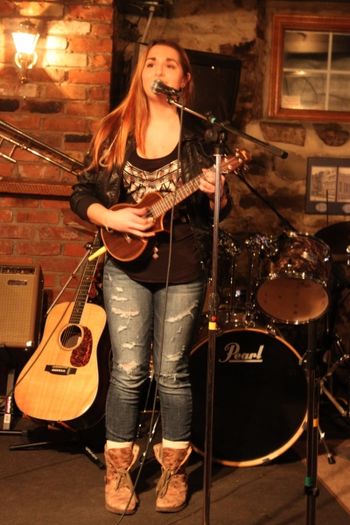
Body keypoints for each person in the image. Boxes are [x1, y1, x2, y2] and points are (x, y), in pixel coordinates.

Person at [70, 39, 234, 515]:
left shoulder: (200, 138)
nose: (160, 69)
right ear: (140, 74)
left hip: (183, 265)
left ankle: (172, 471)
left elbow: (217, 210)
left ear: (184, 79)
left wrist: (217, 191)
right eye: (151, 62)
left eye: (171, 64)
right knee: (126, 371)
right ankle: (119, 469)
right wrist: (112, 218)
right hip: (126, 264)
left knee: (172, 372)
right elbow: (81, 193)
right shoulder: (114, 129)